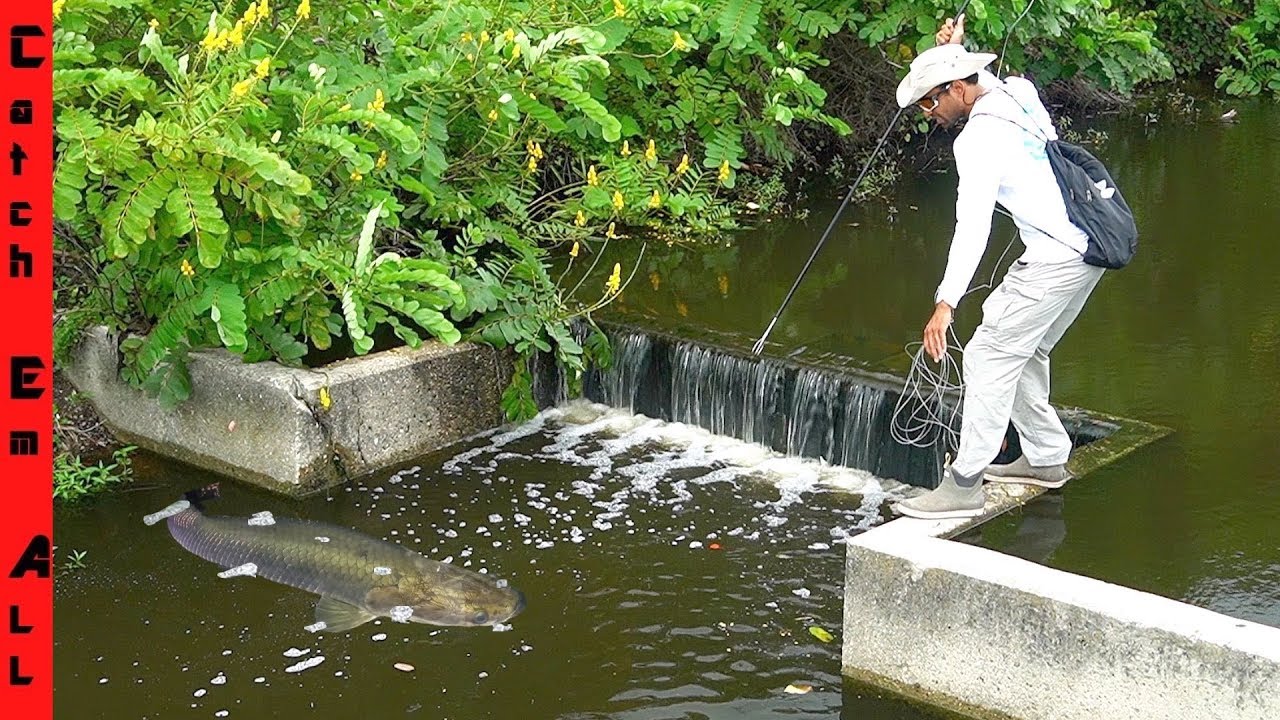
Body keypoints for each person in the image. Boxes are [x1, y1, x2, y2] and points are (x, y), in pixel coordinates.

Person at [892, 15, 1107, 520]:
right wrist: (959, 52)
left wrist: (945, 303)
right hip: (1086, 250)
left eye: (931, 101)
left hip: (1055, 260)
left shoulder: (977, 142)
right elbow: (986, 80)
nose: (930, 114)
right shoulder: (1018, 92)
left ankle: (965, 481)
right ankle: (1048, 457)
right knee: (1023, 350)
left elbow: (973, 227)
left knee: (988, 355)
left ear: (958, 89)